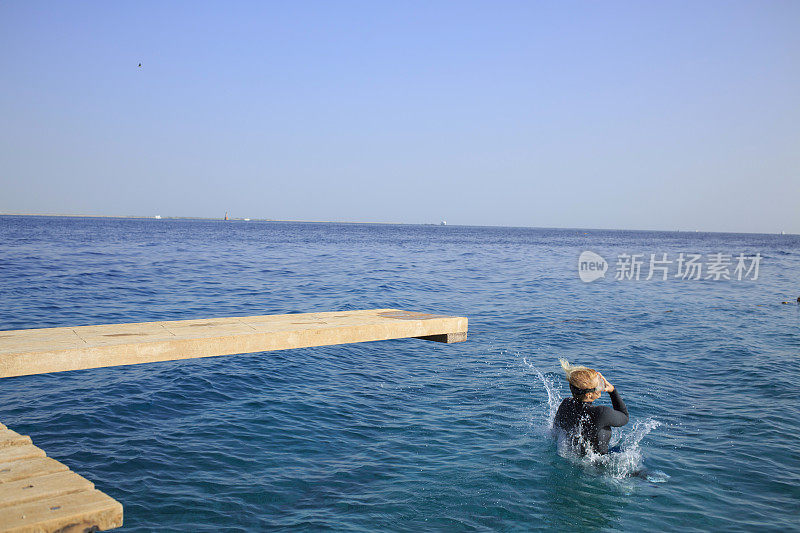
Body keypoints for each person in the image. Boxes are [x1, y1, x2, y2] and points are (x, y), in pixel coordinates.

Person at [552, 359, 628, 455]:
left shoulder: (566, 403)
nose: (602, 386)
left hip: (576, 457)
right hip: (600, 464)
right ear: (588, 395)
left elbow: (555, 432)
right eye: (599, 385)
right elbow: (625, 417)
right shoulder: (602, 413)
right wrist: (612, 391)